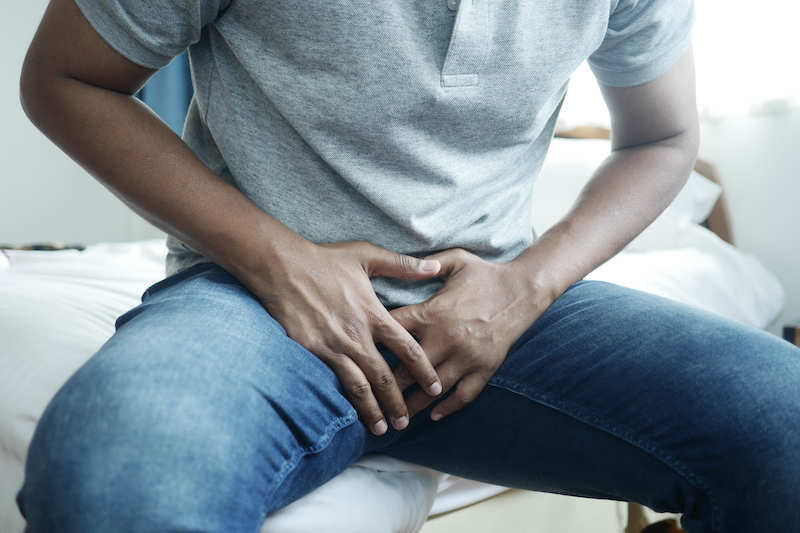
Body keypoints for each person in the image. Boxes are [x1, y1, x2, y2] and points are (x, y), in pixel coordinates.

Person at [16, 0, 800, 531]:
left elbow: (662, 140)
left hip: (498, 318)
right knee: (107, 473)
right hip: (256, 302)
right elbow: (65, 76)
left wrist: (525, 286)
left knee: (785, 423)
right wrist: (281, 261)